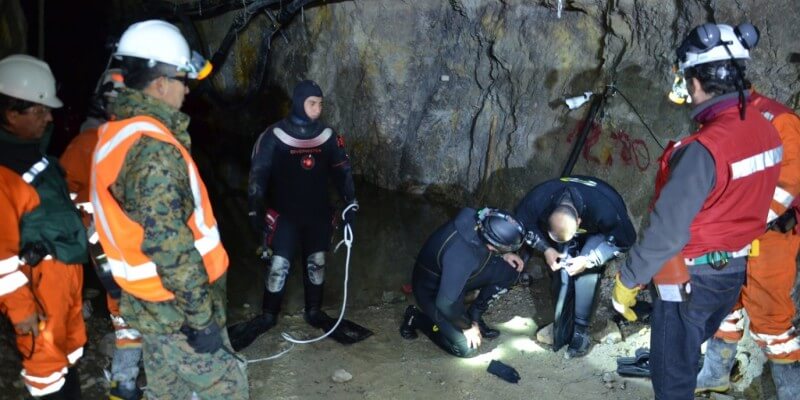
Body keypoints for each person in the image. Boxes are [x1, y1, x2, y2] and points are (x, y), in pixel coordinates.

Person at [612, 23, 783, 399]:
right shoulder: (766, 131)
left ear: (695, 81)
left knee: (671, 378)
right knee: (687, 355)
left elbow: (667, 231)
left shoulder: (704, 150)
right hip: (731, 273)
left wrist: (628, 280)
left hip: (687, 279)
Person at [89, 20, 248, 399]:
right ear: (160, 84)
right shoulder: (152, 151)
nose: (187, 87)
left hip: (150, 306)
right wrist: (202, 319)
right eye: (181, 78)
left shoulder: (116, 134)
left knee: (168, 391)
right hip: (179, 312)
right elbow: (170, 248)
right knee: (225, 389)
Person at [229, 79, 370, 350]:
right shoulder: (274, 136)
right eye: (312, 103)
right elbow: (258, 176)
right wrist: (254, 210)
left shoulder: (328, 135)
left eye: (320, 104)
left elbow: (343, 171)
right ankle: (268, 315)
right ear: (299, 103)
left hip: (317, 214)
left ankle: (314, 311)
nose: (317, 108)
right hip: (285, 216)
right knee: (279, 267)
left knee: (316, 263)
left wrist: (351, 203)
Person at [694, 88, 800, 398]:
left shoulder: (779, 119)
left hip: (771, 235)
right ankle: (714, 374)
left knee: (771, 318)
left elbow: (788, 184)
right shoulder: (722, 116)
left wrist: (740, 222)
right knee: (724, 302)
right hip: (731, 230)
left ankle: (792, 392)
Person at [0, 54, 87, 398]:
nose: (49, 117)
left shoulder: (37, 157)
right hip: (37, 289)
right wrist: (22, 311)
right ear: (11, 114)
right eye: (40, 111)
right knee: (46, 371)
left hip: (62, 281)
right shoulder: (5, 175)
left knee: (68, 358)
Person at [60, 69, 143, 400]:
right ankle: (124, 381)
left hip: (146, 242)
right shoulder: (85, 145)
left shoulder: (147, 141)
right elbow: (63, 191)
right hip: (106, 242)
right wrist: (88, 220)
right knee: (121, 302)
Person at [515, 176, 636, 358]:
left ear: (579, 222)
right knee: (562, 265)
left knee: (586, 271)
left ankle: (581, 330)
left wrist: (589, 260)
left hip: (600, 230)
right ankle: (561, 322)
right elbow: (521, 224)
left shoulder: (607, 208)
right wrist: (546, 248)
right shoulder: (539, 198)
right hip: (562, 229)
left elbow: (626, 241)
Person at [399, 207, 525, 358]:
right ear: (492, 244)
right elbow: (445, 303)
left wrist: (506, 254)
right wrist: (466, 326)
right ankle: (416, 318)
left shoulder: (481, 218)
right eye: (503, 248)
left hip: (463, 275)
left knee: (512, 270)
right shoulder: (462, 255)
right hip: (433, 289)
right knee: (467, 348)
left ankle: (475, 314)